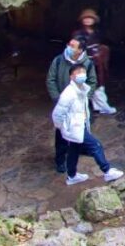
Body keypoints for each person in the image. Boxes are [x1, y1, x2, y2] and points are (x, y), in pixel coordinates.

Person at [51, 63, 124, 186]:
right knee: (96, 145)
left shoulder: (82, 90)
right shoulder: (68, 94)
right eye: (77, 73)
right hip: (74, 128)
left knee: (74, 150)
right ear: (71, 76)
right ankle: (107, 170)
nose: (81, 75)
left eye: (83, 72)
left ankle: (72, 176)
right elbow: (57, 114)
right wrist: (63, 127)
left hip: (79, 125)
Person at [46, 34, 97, 173]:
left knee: (82, 127)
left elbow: (92, 82)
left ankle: (81, 148)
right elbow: (51, 80)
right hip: (63, 103)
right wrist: (57, 99)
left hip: (80, 104)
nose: (69, 48)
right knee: (61, 132)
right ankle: (60, 160)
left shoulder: (88, 64)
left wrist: (86, 97)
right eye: (69, 44)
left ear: (80, 50)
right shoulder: (58, 61)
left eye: (73, 46)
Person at [77, 8, 116, 115]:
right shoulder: (78, 34)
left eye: (90, 18)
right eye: (86, 18)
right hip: (84, 63)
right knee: (83, 86)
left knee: (99, 85)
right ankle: (81, 108)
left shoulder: (97, 33)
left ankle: (101, 106)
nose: (88, 20)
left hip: (97, 63)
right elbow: (77, 49)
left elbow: (102, 45)